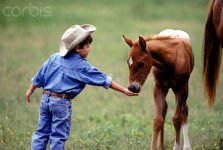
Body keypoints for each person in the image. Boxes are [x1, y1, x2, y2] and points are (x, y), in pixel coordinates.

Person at [25, 24, 138, 150]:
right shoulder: (82, 66)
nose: (90, 49)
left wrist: (30, 90)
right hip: (61, 102)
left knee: (41, 133)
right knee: (58, 136)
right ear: (78, 48)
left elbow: (40, 74)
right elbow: (104, 80)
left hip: (45, 99)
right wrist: (123, 90)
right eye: (88, 46)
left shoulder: (54, 57)